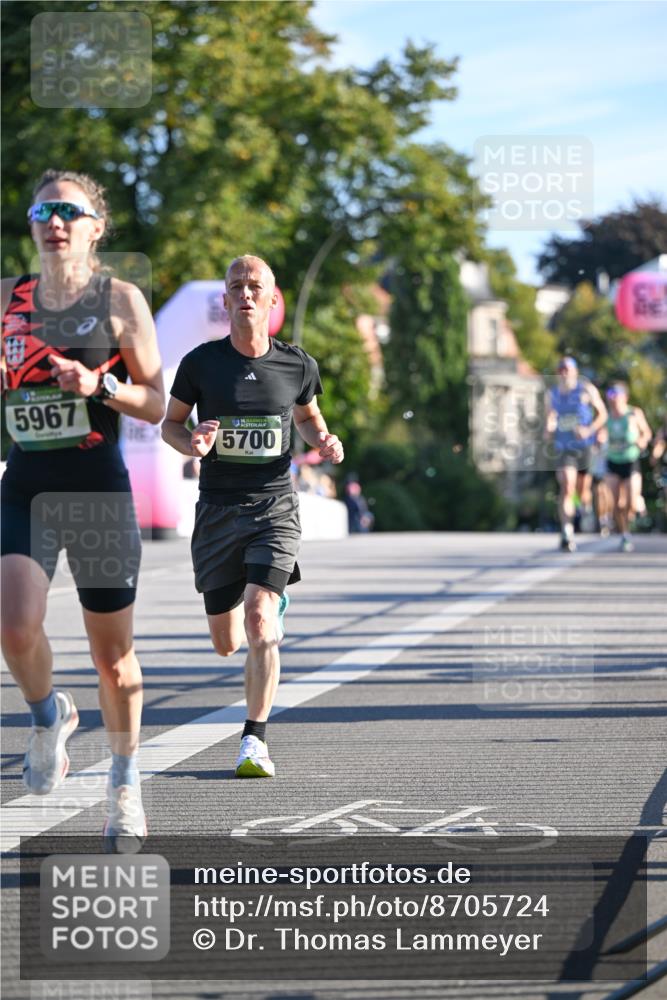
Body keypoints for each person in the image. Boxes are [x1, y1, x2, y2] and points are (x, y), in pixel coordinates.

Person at [1, 170, 164, 849]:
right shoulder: (7, 303)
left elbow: (157, 403)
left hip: (96, 488)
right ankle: (48, 718)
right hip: (27, 484)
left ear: (96, 227)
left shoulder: (119, 299)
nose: (53, 220)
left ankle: (123, 784)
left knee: (114, 659)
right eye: (43, 209)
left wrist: (101, 384)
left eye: (69, 211)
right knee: (13, 624)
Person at [161, 254, 344, 778]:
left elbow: (309, 419)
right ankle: (255, 604)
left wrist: (324, 439)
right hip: (218, 510)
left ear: (272, 299)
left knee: (261, 621)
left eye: (254, 285)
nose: (244, 293)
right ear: (225, 301)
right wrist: (190, 442)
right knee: (226, 642)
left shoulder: (298, 364)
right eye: (236, 286)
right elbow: (170, 425)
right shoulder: (201, 364)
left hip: (274, 507)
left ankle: (253, 741)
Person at [544, 356, 606, 552]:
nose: (563, 372)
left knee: (582, 490)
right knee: (567, 485)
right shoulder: (552, 394)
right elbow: (549, 419)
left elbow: (602, 414)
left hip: (584, 446)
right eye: (560, 369)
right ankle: (566, 532)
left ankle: (584, 506)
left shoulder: (586, 389)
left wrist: (590, 430)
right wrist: (549, 429)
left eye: (567, 369)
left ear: (575, 372)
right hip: (564, 446)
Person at [604, 382, 652, 552]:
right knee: (616, 503)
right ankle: (625, 534)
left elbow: (647, 433)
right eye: (611, 395)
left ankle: (638, 503)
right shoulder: (607, 415)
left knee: (630, 503)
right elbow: (600, 433)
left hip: (630, 461)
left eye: (616, 394)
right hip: (612, 461)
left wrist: (641, 441)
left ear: (625, 397)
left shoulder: (634, 413)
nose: (614, 399)